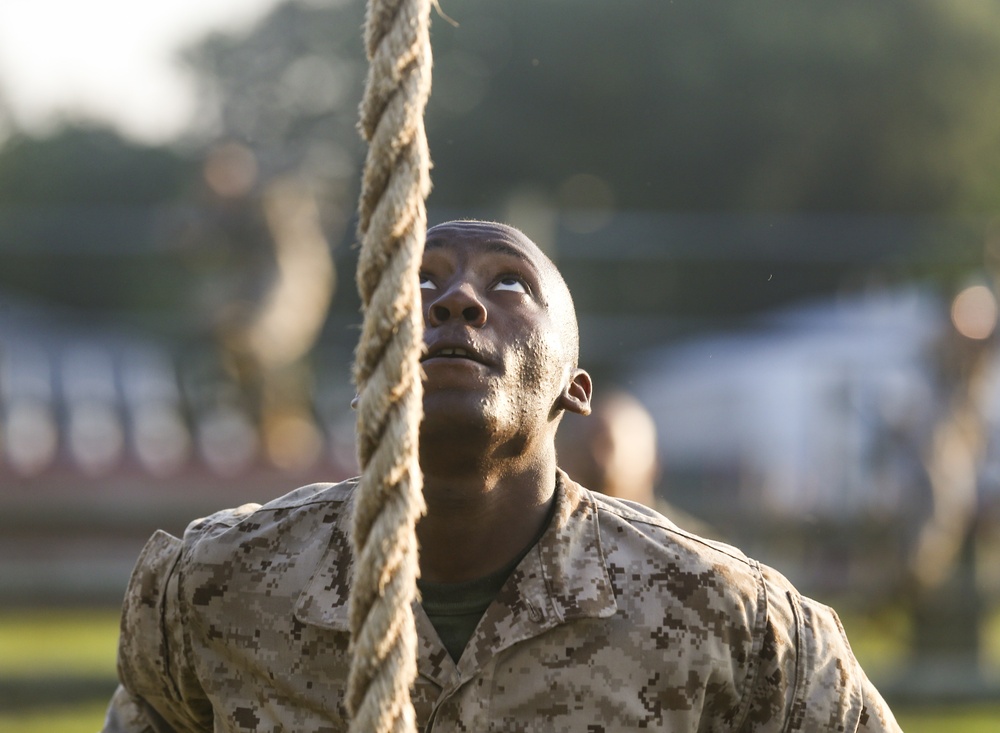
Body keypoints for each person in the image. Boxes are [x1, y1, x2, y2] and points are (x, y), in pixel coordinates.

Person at [103, 220, 901, 732]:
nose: (455, 300)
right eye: (419, 284)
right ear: (363, 374)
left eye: (508, 282)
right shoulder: (216, 589)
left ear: (575, 389)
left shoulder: (737, 625)